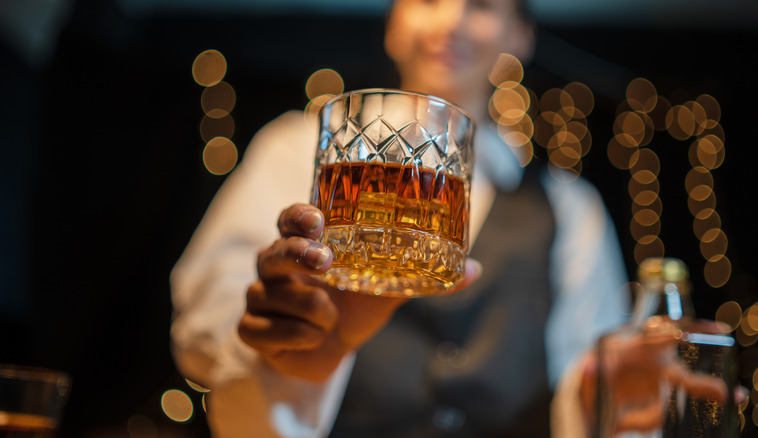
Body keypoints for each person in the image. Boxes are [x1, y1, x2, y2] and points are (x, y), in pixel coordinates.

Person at [170, 0, 631, 436]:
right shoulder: (299, 147)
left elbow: (587, 364)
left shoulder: (570, 205)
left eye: (483, 5)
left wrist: (617, 391)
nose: (451, 21)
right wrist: (281, 352)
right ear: (393, 25)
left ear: (520, 36)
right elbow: (204, 322)